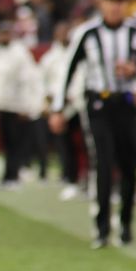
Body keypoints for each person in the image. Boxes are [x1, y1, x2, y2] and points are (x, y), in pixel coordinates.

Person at [48, 0, 136, 249]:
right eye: (111, 1)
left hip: (126, 104)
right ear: (101, 3)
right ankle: (101, 228)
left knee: (129, 165)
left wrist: (135, 71)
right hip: (98, 104)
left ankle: (125, 222)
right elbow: (67, 70)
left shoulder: (135, 34)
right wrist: (58, 108)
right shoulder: (88, 33)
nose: (115, 7)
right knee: (102, 163)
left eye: (120, 1)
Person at [0, 23, 42, 189]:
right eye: (1, 33)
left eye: (6, 33)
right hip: (0, 104)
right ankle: (8, 176)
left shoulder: (19, 52)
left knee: (15, 142)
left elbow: (29, 79)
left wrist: (28, 106)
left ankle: (14, 175)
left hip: (17, 105)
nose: (4, 36)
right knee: (6, 143)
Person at [39, 22, 85, 200]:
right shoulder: (50, 57)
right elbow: (43, 81)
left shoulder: (79, 52)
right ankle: (70, 179)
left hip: (79, 103)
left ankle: (87, 180)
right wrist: (47, 101)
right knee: (65, 145)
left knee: (87, 145)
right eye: (61, 31)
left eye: (67, 31)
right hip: (59, 106)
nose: (65, 35)